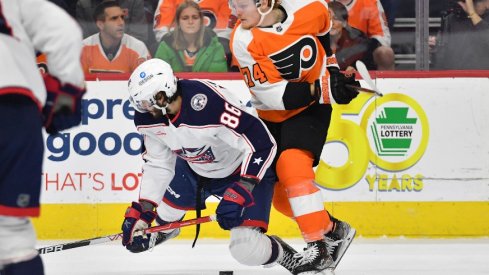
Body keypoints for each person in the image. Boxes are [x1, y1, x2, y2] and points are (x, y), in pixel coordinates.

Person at [120, 58, 312, 274]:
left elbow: (262, 144)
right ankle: (167, 227)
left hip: (241, 170)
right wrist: (145, 210)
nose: (142, 109)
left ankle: (286, 256)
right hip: (195, 169)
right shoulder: (148, 118)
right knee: (164, 213)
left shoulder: (208, 104)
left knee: (245, 248)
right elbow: (157, 163)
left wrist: (242, 189)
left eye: (145, 103)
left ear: (162, 96)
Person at [229, 0, 358, 273]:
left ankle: (318, 249)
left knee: (292, 165)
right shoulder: (243, 40)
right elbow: (274, 97)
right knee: (279, 198)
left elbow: (322, 35)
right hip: (272, 114)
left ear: (264, 3)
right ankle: (334, 229)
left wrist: (333, 72)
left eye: (240, 4)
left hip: (311, 111)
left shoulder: (309, 5)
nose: (234, 11)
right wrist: (325, 89)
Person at [0, 0, 86, 274]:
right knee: (11, 238)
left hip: (14, 107)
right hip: (14, 108)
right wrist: (66, 98)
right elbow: (65, 32)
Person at [153, 0, 228, 72]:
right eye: (185, 18)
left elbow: (217, 81)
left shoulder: (215, 47)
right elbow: (160, 77)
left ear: (201, 21)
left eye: (195, 18)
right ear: (178, 22)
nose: (190, 22)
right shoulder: (166, 46)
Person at [81, 0, 151, 74]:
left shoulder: (138, 48)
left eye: (122, 17)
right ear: (100, 24)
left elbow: (147, 83)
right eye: (114, 18)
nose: (121, 23)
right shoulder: (83, 49)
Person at [329, 0, 395, 70]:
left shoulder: (370, 2)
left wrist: (357, 61)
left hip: (361, 55)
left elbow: (382, 40)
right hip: (325, 51)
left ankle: (384, 80)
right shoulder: (320, 2)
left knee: (385, 53)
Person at [432, 0, 489, 70]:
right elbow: (442, 55)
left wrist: (472, 13)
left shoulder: (485, 21)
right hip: (456, 76)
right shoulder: (451, 19)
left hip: (482, 76)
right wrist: (433, 48)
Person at [329, 1, 376, 71]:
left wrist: (355, 67)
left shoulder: (359, 41)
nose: (331, 23)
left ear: (344, 23)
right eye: (328, 18)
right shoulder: (316, 39)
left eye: (336, 18)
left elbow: (369, 66)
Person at [76, 0, 149, 44]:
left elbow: (140, 36)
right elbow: (83, 38)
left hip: (128, 53)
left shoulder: (134, 1)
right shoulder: (84, 4)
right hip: (94, 55)